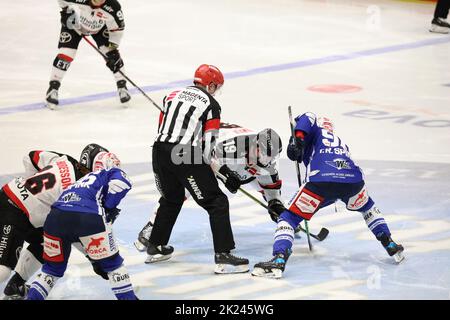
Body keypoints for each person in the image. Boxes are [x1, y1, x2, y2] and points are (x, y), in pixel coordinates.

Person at [252, 112, 404, 279]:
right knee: (368, 208)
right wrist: (297, 147)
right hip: (352, 182)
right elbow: (300, 155)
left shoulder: (314, 130)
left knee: (288, 218)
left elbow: (307, 117)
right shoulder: (340, 143)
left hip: (320, 183)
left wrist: (299, 138)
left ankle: (279, 260)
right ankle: (389, 243)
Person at [146, 64, 249, 274]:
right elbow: (208, 145)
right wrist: (223, 173)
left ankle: (155, 247)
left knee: (171, 198)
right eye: (216, 87)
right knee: (217, 202)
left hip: (159, 150)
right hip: (184, 153)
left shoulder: (171, 95)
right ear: (210, 85)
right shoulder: (211, 104)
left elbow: (161, 129)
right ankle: (224, 255)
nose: (216, 91)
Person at [134, 122, 286, 256]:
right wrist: (225, 174)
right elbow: (206, 158)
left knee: (271, 193)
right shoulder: (230, 149)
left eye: (269, 157)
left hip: (233, 156)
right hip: (204, 147)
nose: (265, 161)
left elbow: (270, 187)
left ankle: (286, 221)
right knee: (182, 189)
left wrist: (275, 205)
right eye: (263, 154)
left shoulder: (268, 164)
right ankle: (153, 226)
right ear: (255, 145)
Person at [26, 151, 137, 300]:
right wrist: (109, 207)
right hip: (87, 218)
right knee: (113, 266)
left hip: (54, 219)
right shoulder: (110, 172)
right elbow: (122, 184)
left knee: (51, 271)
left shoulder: (80, 181)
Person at [0, 145, 107, 299]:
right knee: (2, 270)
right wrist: (95, 259)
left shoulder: (65, 159)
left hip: (18, 204)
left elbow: (31, 157)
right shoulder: (81, 189)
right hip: (14, 211)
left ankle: (15, 286)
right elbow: (73, 232)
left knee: (49, 243)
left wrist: (31, 191)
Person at [45, 0, 130, 109]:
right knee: (66, 54)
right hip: (74, 26)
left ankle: (122, 86)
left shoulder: (113, 7)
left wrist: (113, 50)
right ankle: (53, 88)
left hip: (99, 29)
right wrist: (65, 12)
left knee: (112, 55)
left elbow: (117, 30)